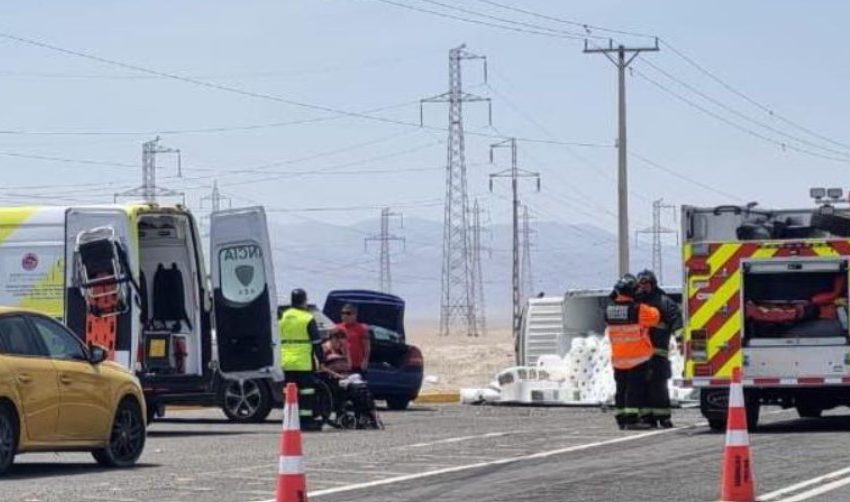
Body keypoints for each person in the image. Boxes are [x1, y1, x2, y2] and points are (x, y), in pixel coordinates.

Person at [604, 274, 661, 430]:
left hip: (618, 358)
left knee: (621, 389)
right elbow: (655, 316)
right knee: (634, 390)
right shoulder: (639, 309)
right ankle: (632, 420)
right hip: (637, 358)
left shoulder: (609, 310)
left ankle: (621, 418)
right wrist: (642, 301)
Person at [636, 269, 683, 429]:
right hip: (639, 354)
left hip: (658, 352)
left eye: (646, 284)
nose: (643, 288)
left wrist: (680, 340)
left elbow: (676, 321)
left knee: (658, 387)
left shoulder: (664, 302)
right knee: (641, 386)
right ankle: (646, 417)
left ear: (653, 284)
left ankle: (663, 417)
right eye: (640, 285)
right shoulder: (635, 303)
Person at [280, 288, 324, 431]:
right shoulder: (307, 318)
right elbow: (316, 342)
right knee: (307, 392)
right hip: (303, 363)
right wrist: (322, 360)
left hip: (286, 362)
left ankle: (289, 420)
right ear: (304, 301)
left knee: (289, 393)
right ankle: (306, 421)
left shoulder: (283, 317)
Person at [332, 304, 371, 375]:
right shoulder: (336, 328)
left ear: (355, 315)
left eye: (348, 313)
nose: (344, 315)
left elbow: (367, 347)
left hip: (357, 365)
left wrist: (365, 361)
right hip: (342, 365)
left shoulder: (362, 328)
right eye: (342, 313)